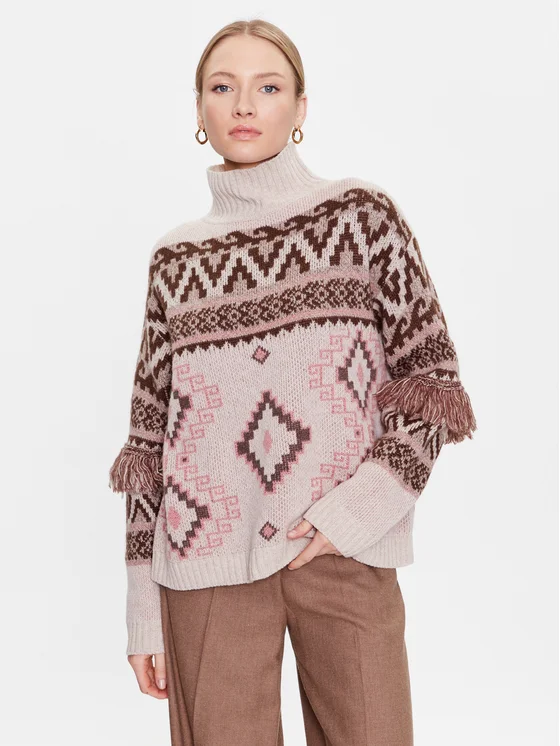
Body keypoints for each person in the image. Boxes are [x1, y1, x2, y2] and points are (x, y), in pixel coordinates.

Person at [108, 18, 477, 746]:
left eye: (268, 87)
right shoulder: (175, 261)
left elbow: (432, 380)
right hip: (205, 565)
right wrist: (143, 609)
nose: (245, 105)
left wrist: (362, 508)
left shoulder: (362, 217)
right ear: (199, 109)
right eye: (223, 87)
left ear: (301, 107)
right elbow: (149, 443)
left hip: (341, 549)